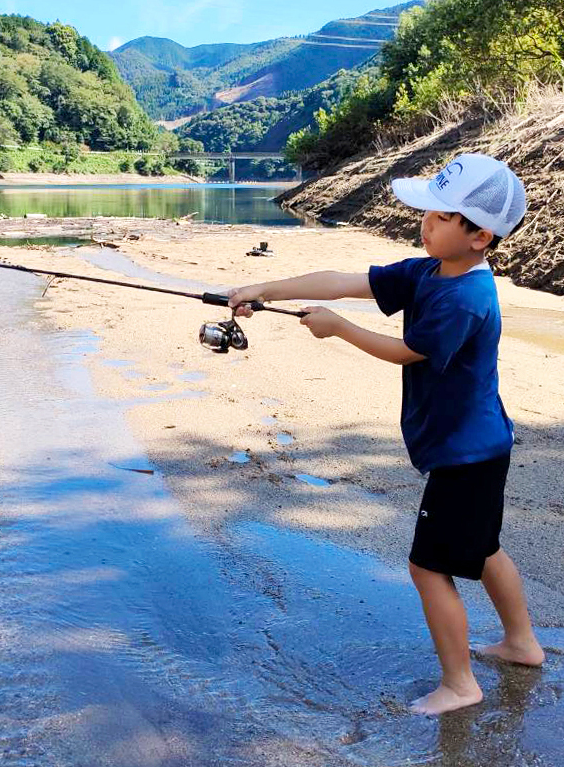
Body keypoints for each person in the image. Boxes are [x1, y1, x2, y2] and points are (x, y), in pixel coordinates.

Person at [226, 153, 544, 715]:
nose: (424, 223)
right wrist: (264, 289)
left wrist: (338, 328)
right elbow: (346, 281)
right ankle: (521, 644)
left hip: (465, 453)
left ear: (480, 235)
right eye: (426, 212)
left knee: (428, 565)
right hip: (474, 444)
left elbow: (406, 351)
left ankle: (460, 684)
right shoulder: (428, 271)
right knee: (483, 546)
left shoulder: (466, 296)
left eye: (439, 216)